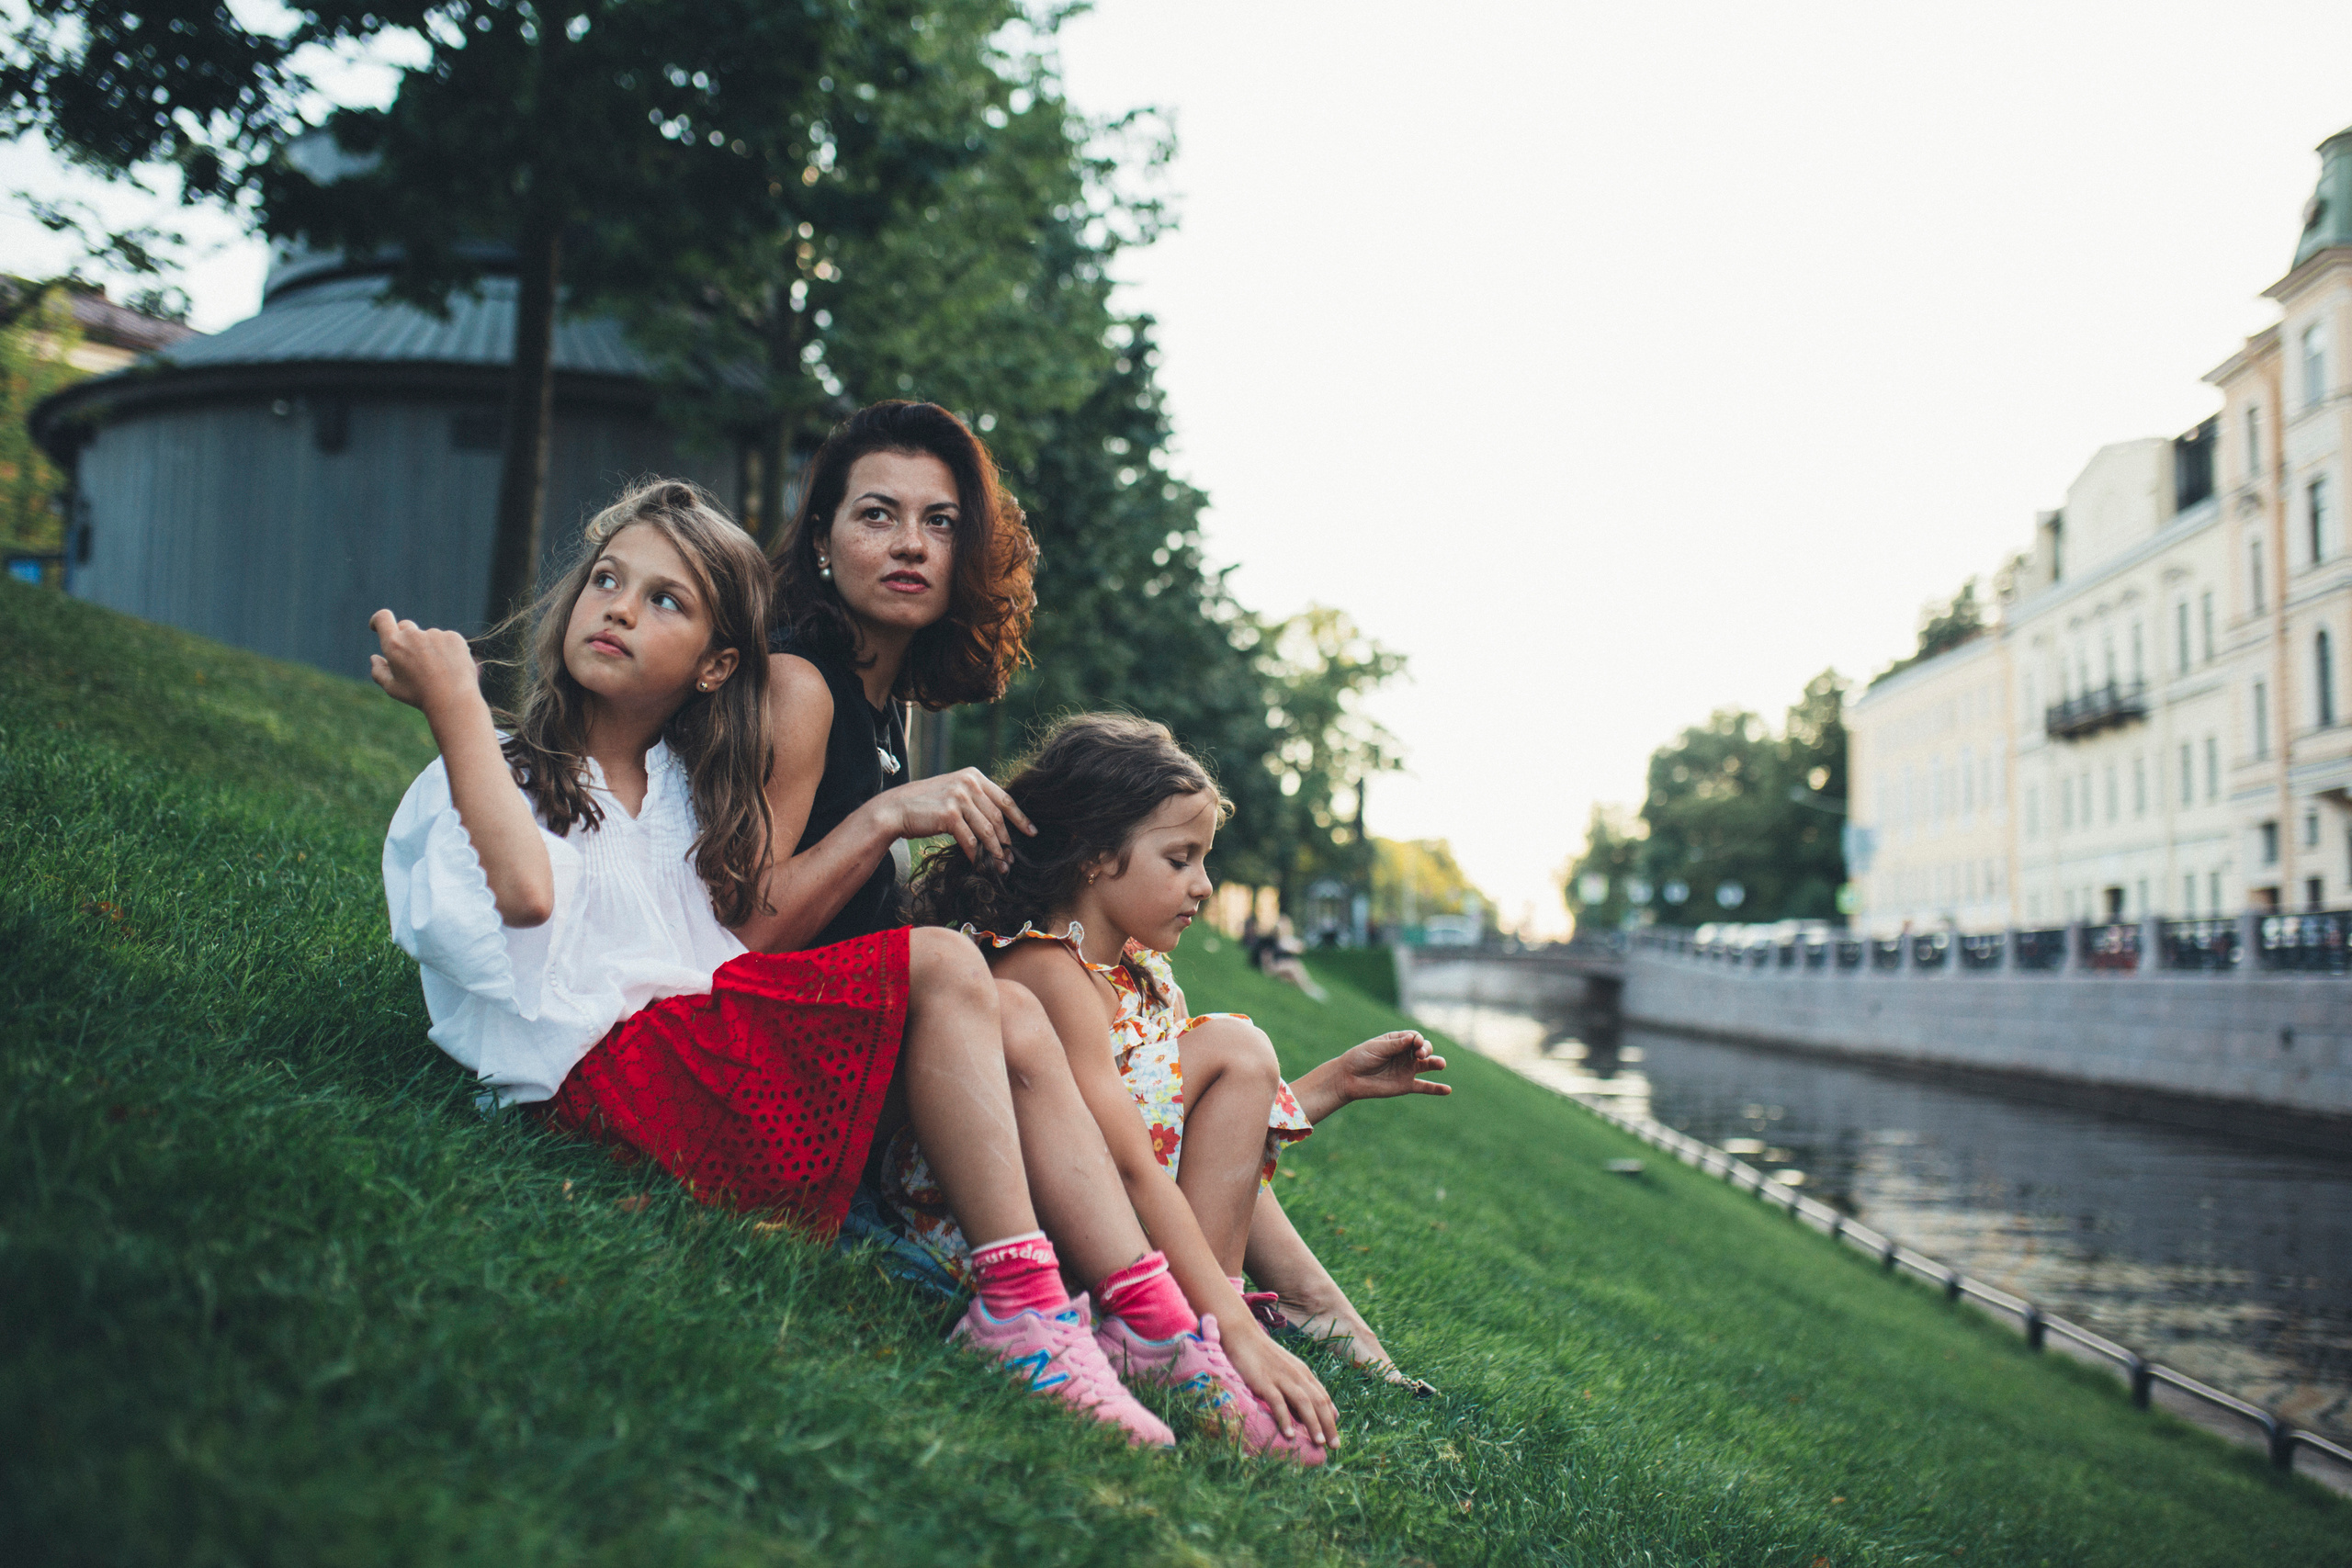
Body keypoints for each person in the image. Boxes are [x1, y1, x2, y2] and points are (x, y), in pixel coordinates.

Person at [373, 479, 1181, 1450]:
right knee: (935, 965)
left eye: (664, 599)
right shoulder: (494, 767)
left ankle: (1139, 1315)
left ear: (717, 666)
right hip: (590, 1085)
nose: (620, 607)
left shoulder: (683, 792)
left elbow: (727, 946)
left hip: (684, 1069)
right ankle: (1022, 1303)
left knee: (995, 997)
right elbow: (526, 896)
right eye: (605, 580)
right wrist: (458, 704)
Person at [759, 403, 1338, 1459]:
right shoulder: (801, 683)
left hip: (874, 1037)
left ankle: (1160, 1322)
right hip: (794, 1046)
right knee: (1014, 1007)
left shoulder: (879, 699)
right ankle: (1117, 1318)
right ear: (818, 538)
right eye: (877, 515)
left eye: (939, 524)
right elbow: (749, 925)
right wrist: (887, 815)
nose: (909, 546)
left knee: (1049, 1024)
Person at [910, 713, 1451, 1400]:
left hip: (1096, 1222)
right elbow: (1130, 1165)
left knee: (1235, 1053)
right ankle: (1217, 1331)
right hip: (999, 1236)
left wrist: (1336, 1083)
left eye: (1204, 859)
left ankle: (1294, 1307)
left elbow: (1182, 1130)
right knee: (1234, 1047)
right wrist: (1236, 1329)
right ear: (1095, 856)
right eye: (1179, 859)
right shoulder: (1045, 969)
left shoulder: (1133, 971)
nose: (1203, 885)